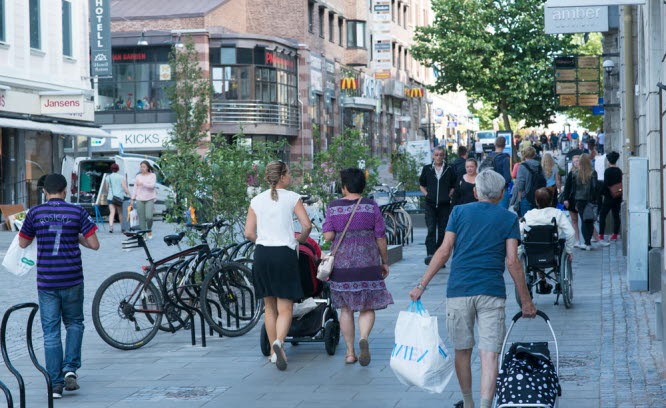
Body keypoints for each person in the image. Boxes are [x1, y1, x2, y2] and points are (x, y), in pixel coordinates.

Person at [409, 170, 536, 408]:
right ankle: (486, 405)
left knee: (462, 350)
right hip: (491, 291)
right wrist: (526, 300)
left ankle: (468, 403)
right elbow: (512, 261)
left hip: (459, 290)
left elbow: (444, 250)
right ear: (500, 194)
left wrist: (421, 284)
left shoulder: (458, 212)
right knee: (489, 354)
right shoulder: (508, 218)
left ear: (476, 192)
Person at [18, 174, 100, 399]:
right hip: (72, 279)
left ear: (45, 192)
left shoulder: (35, 213)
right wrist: (76, 236)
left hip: (47, 281)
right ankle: (70, 368)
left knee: (51, 331)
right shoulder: (77, 212)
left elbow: (22, 242)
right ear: (65, 191)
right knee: (74, 323)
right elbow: (94, 244)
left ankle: (55, 384)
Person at [244, 161, 312, 371]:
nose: (290, 176)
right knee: (286, 307)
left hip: (263, 254)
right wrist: (299, 240)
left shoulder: (256, 199)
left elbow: (248, 233)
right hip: (284, 254)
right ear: (282, 176)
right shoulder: (292, 197)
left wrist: (262, 242)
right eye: (289, 172)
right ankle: (279, 342)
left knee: (269, 307)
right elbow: (307, 225)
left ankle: (274, 354)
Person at [322, 168, 393, 366]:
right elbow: (380, 236)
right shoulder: (371, 206)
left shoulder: (333, 207)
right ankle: (364, 337)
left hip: (343, 266)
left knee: (345, 309)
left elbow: (328, 236)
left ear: (344, 187)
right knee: (367, 306)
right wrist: (384, 261)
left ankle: (350, 353)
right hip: (368, 263)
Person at [520, 188, 575, 294]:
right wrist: (569, 251)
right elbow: (571, 233)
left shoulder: (529, 215)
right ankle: (558, 280)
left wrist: (519, 251)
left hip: (533, 252)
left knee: (536, 247)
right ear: (550, 201)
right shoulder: (557, 214)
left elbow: (519, 232)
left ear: (536, 201)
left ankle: (542, 281)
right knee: (557, 246)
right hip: (552, 250)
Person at [419, 146, 457, 265]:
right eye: (436, 155)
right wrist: (427, 195)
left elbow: (453, 185)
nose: (438, 157)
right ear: (433, 155)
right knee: (431, 229)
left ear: (444, 155)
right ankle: (431, 255)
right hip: (430, 204)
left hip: (444, 205)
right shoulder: (427, 169)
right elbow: (421, 185)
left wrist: (448, 195)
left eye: (441, 154)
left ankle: (440, 257)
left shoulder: (449, 169)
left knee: (442, 231)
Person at [563, 154, 599, 250]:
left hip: (579, 200)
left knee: (584, 220)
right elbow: (595, 188)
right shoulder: (593, 172)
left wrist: (574, 202)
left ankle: (586, 242)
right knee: (590, 221)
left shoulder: (575, 173)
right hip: (590, 200)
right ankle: (588, 242)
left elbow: (574, 190)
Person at [512, 146, 544, 217]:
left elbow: (520, 184)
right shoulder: (538, 165)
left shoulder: (522, 166)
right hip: (538, 196)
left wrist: (518, 199)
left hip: (526, 197)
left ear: (524, 155)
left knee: (526, 221)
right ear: (534, 154)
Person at [599, 151, 622, 243]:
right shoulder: (619, 171)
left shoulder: (607, 171)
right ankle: (615, 234)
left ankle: (601, 235)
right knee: (616, 215)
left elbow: (606, 184)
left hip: (609, 197)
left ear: (609, 161)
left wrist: (602, 193)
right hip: (618, 196)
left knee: (602, 215)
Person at [131, 161, 157, 239]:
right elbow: (135, 188)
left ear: (148, 167)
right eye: (141, 167)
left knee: (149, 217)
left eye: (144, 167)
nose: (142, 168)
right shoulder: (138, 176)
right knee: (141, 218)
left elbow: (152, 186)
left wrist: (143, 184)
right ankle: (143, 234)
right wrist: (132, 199)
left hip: (149, 198)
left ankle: (149, 229)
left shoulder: (152, 175)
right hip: (139, 199)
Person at [484, 137, 512, 209]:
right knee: (502, 214)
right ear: (504, 145)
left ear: (495, 145)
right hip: (501, 190)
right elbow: (507, 178)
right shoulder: (505, 158)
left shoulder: (488, 157)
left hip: (489, 189)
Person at [106, 163, 130, 233]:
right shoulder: (121, 177)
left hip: (110, 197)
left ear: (111, 169)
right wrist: (129, 194)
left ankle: (111, 227)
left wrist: (109, 193)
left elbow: (106, 188)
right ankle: (122, 227)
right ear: (118, 169)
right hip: (119, 197)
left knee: (112, 212)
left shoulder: (108, 177)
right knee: (120, 213)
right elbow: (125, 187)